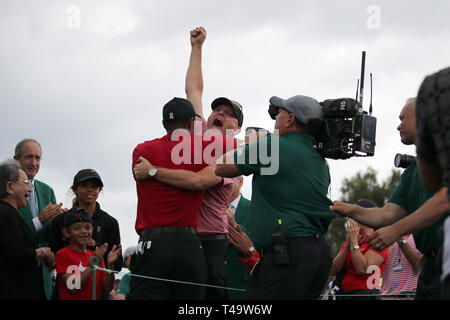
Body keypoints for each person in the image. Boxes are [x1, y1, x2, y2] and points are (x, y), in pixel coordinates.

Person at [133, 26, 243, 300]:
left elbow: (198, 182)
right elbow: (193, 89)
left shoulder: (231, 151)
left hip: (210, 238)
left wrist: (153, 171)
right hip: (186, 238)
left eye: (229, 114)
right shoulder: (197, 135)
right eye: (218, 109)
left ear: (237, 128)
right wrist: (196, 48)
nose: (220, 113)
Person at [216, 94, 334, 300]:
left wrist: (250, 144)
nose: (275, 119)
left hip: (287, 254)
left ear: (290, 119)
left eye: (279, 114)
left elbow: (221, 166)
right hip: (318, 253)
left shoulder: (272, 145)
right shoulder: (318, 158)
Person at [330, 97, 446, 300]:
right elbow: (386, 214)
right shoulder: (411, 173)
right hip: (431, 267)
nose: (398, 126)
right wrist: (347, 209)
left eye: (403, 119)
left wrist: (396, 231)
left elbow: (443, 200)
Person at [13, 138, 64, 299]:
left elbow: (52, 234)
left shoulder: (47, 191)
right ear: (16, 160)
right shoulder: (7, 191)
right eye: (28, 157)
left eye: (37, 158)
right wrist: (40, 220)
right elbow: (12, 232)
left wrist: (61, 221)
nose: (34, 163)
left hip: (44, 273)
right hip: (17, 271)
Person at [0, 159, 56, 299]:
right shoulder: (6, 213)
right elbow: (16, 253)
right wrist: (43, 252)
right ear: (10, 187)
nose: (29, 190)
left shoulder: (9, 212)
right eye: (25, 183)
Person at [50, 169, 122, 273]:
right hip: (68, 283)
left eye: (94, 186)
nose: (90, 190)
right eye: (84, 185)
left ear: (99, 190)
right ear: (75, 189)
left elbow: (117, 265)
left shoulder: (110, 223)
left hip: (99, 286)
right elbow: (52, 257)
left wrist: (95, 246)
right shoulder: (60, 220)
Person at [55, 207, 121, 300]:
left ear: (92, 230)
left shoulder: (96, 255)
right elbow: (73, 287)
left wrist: (110, 266)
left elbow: (108, 287)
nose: (84, 231)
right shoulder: (63, 254)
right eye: (77, 228)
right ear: (66, 232)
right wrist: (94, 263)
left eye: (87, 227)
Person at [330, 199, 388, 300]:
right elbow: (333, 270)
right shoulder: (351, 240)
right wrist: (348, 245)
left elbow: (362, 269)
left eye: (354, 214)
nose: (352, 219)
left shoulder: (377, 240)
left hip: (364, 294)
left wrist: (354, 243)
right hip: (343, 293)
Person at [225, 176, 259, 300]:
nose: (225, 181)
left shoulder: (255, 209)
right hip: (213, 285)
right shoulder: (208, 208)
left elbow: (258, 245)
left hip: (241, 286)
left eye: (229, 177)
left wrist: (234, 224)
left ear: (241, 181)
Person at [380, 234, 421, 299]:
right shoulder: (386, 235)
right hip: (386, 295)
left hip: (411, 295)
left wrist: (399, 238)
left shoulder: (419, 234)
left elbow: (420, 268)